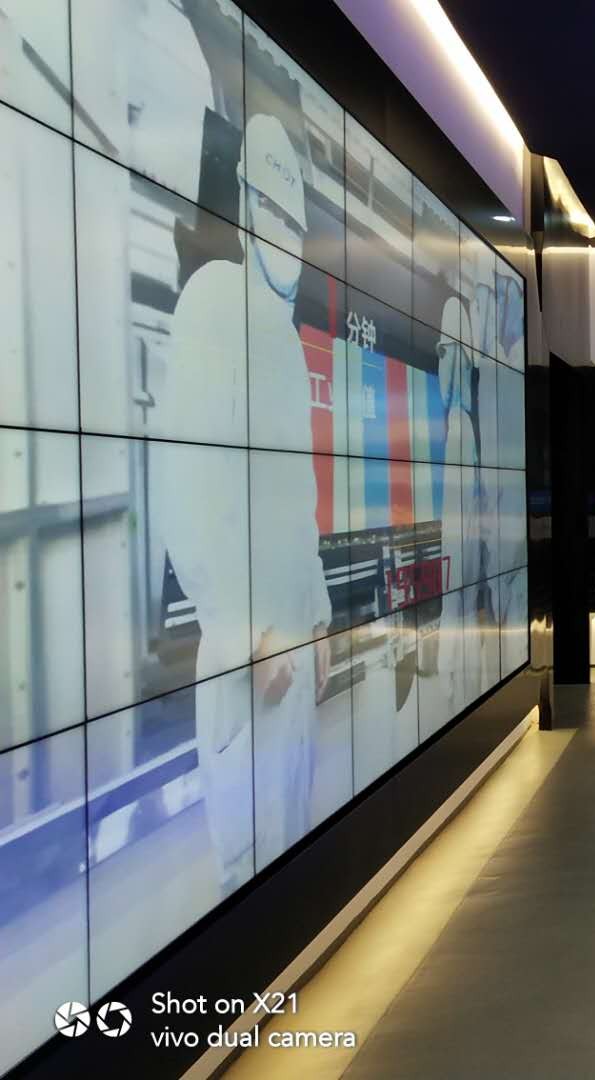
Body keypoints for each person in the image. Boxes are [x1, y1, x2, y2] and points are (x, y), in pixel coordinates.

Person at [165, 114, 332, 890]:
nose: (285, 238)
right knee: (249, 866)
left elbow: (296, 505)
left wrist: (319, 619)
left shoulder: (284, 341)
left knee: (291, 845)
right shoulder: (213, 303)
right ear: (242, 206)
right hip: (250, 660)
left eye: (297, 223)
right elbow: (191, 492)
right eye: (272, 211)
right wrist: (246, 637)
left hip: (291, 650)